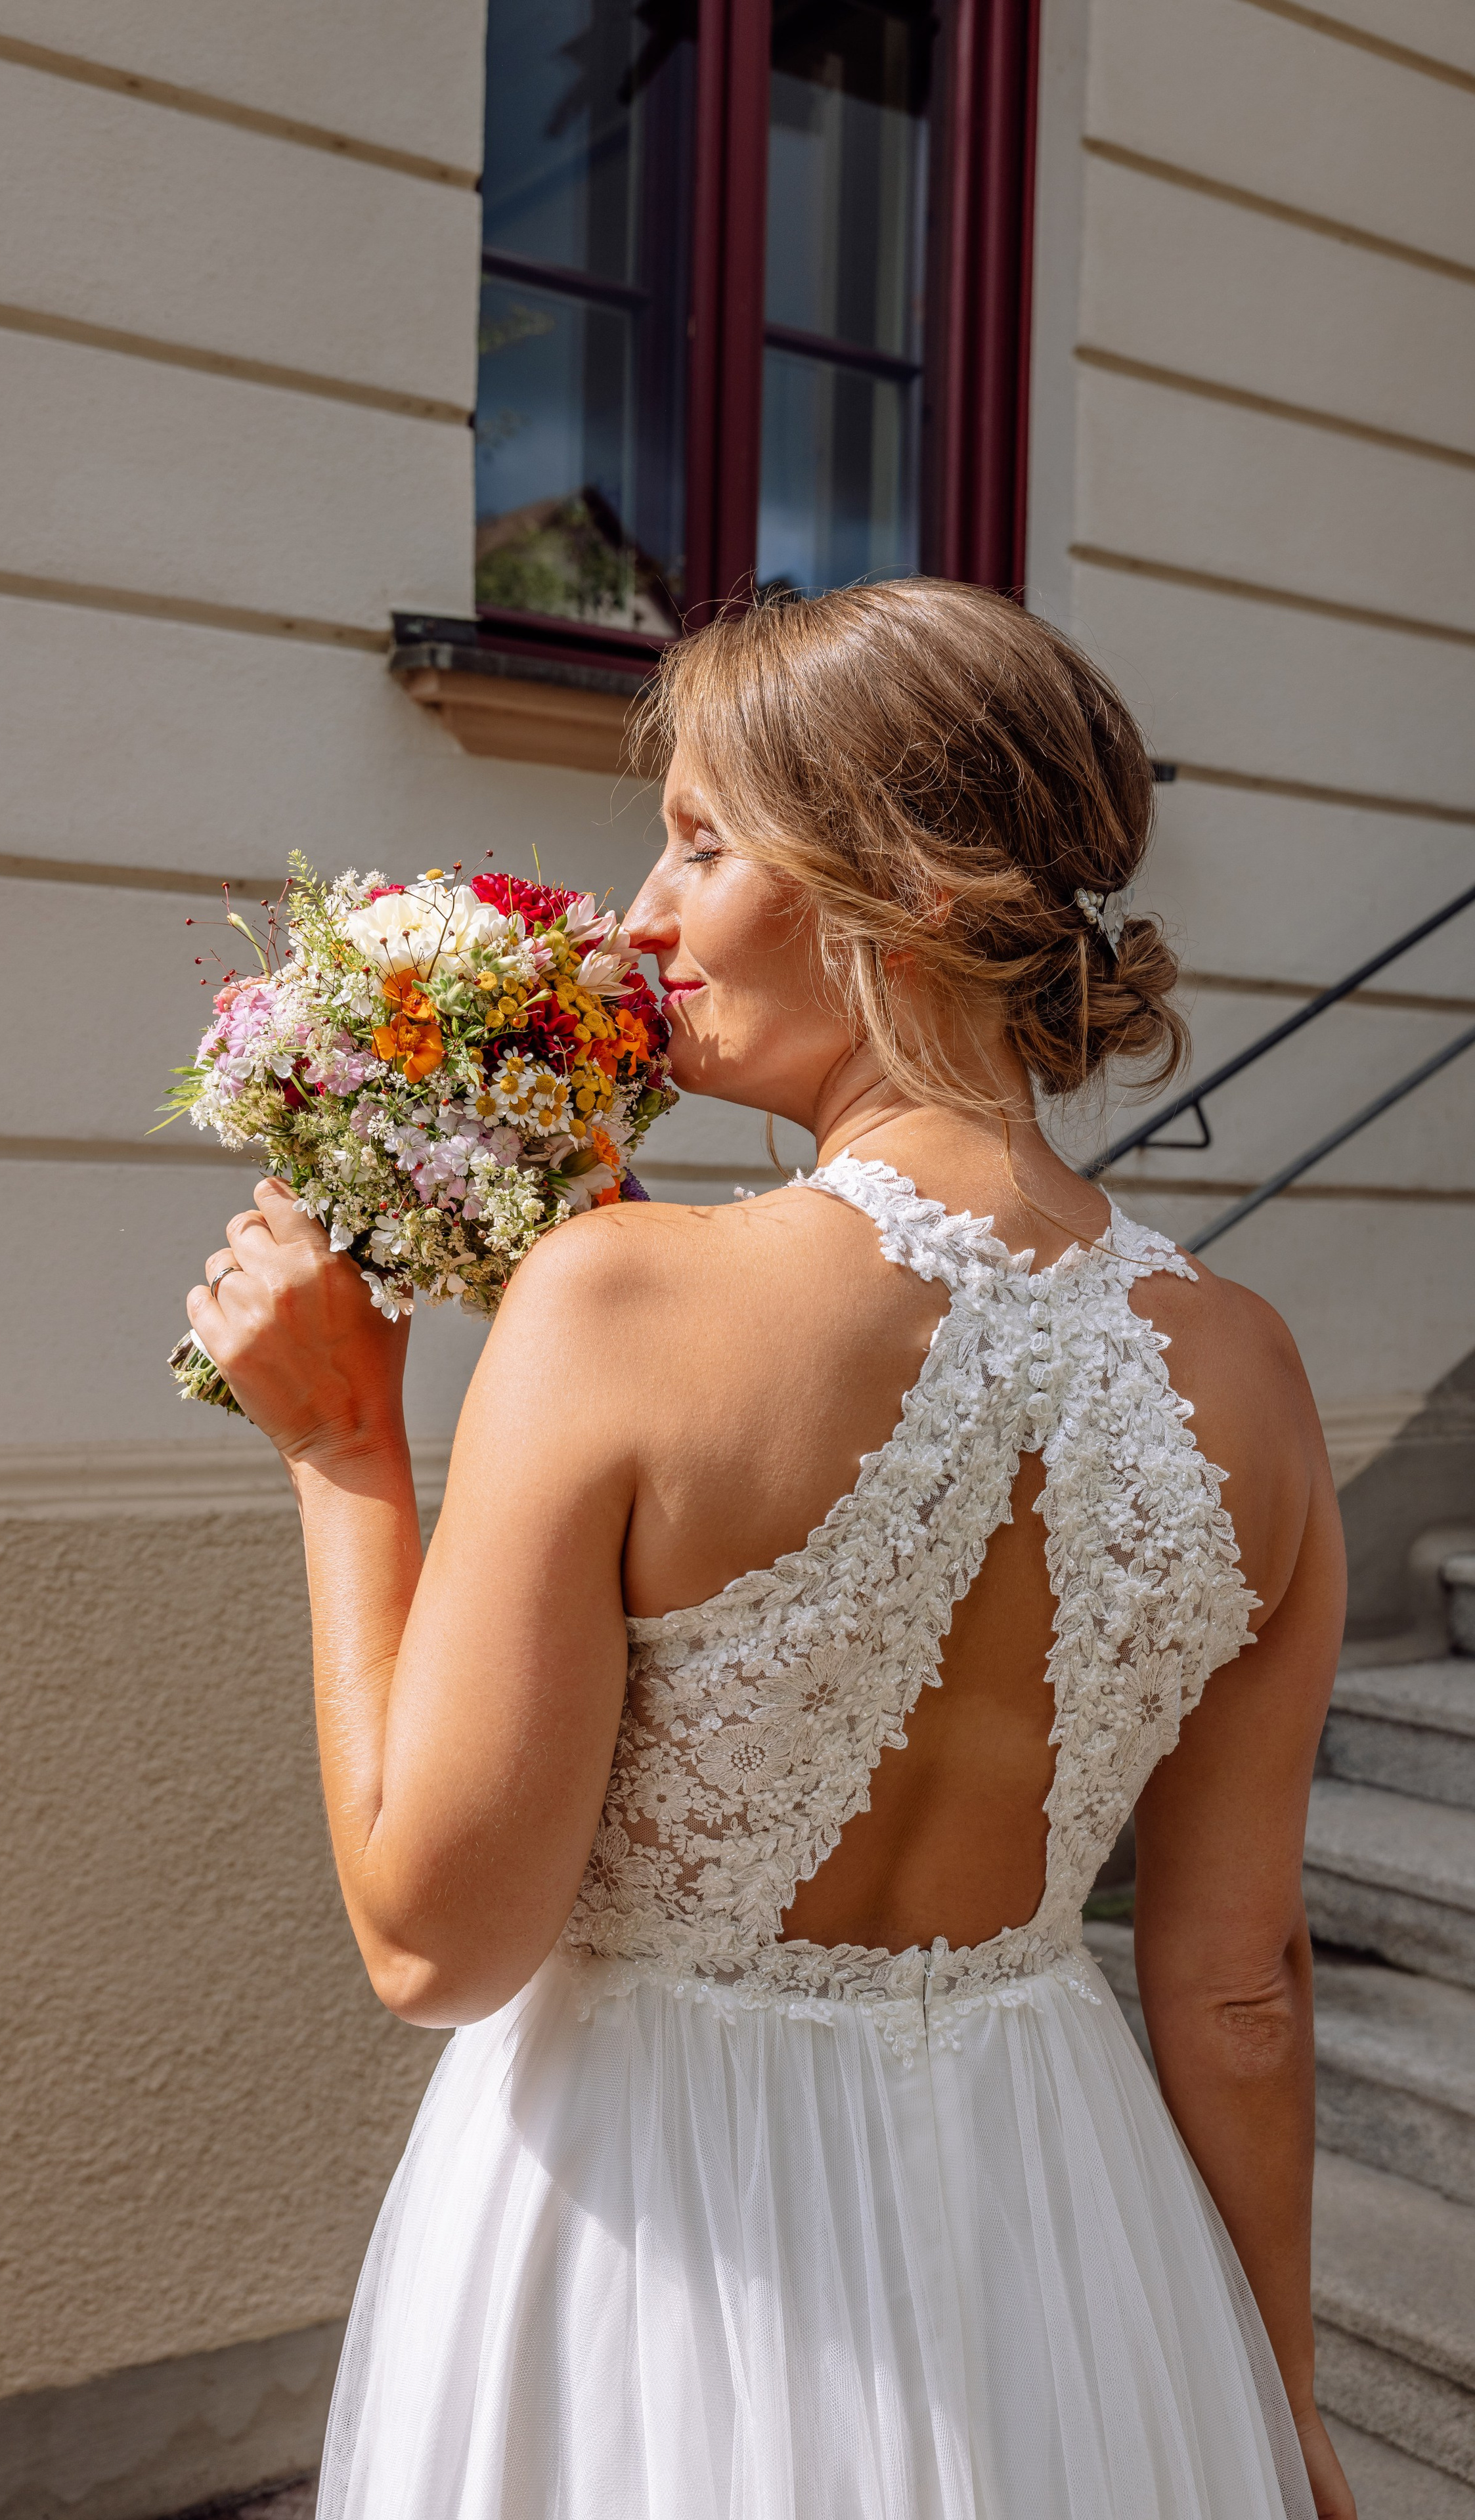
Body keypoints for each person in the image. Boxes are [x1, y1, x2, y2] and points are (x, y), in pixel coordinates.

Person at [186, 582, 1352, 2520]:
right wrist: (1278, 2402)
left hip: (648, 2239)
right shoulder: (1257, 1372)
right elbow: (1239, 1996)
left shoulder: (623, 1299)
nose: (640, 913)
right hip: (1074, 2257)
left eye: (703, 839)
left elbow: (434, 1939)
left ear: (895, 883)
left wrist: (342, 1450)